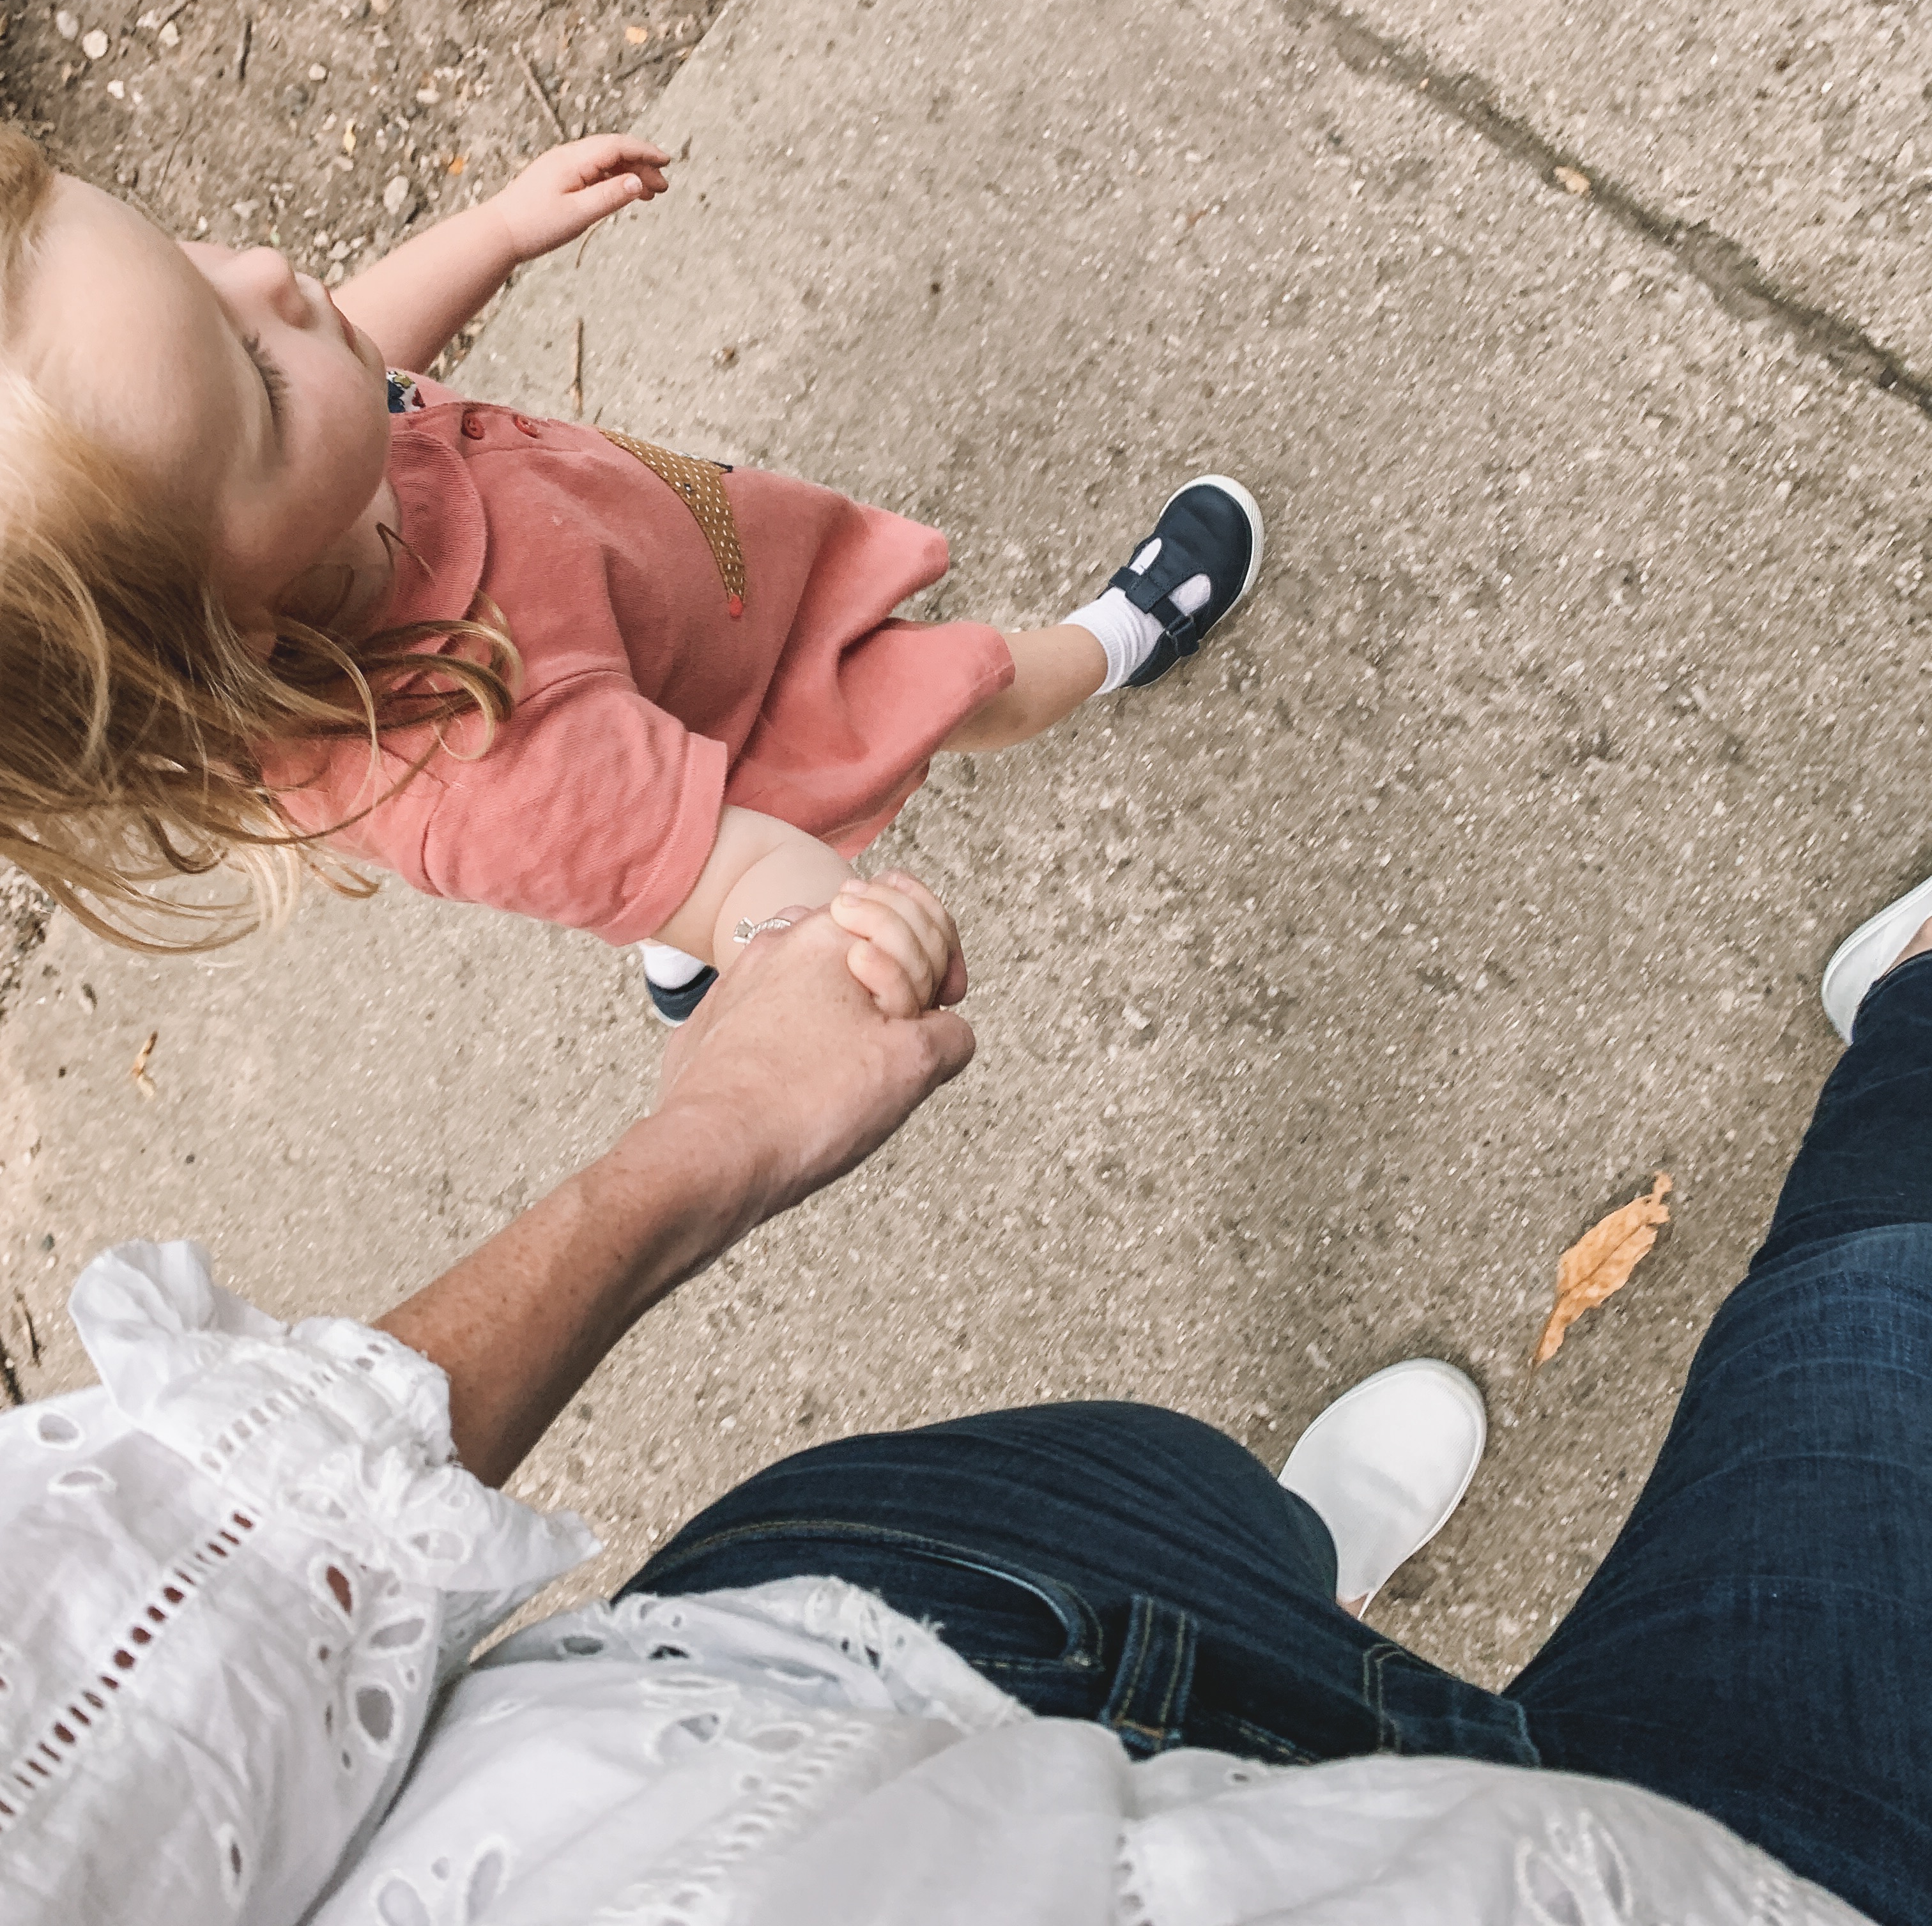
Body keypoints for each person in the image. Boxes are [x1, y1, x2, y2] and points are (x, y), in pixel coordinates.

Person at [4, 873, 1924, 1926]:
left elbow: (166, 1638)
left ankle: (1293, 1577)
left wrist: (705, 1151)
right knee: (1884, 1339)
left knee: (1180, 1492)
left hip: (877, 1666)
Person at [0, 123, 1262, 1018]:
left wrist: (497, 231)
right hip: (773, 701)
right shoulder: (478, 758)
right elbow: (745, 869)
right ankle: (1118, 642)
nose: (272, 275)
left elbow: (355, 348)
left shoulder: (292, 502)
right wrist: (800, 933)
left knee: (640, 850)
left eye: (192, 257)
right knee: (951, 688)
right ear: (238, 633)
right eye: (254, 372)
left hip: (686, 609)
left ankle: (661, 923)